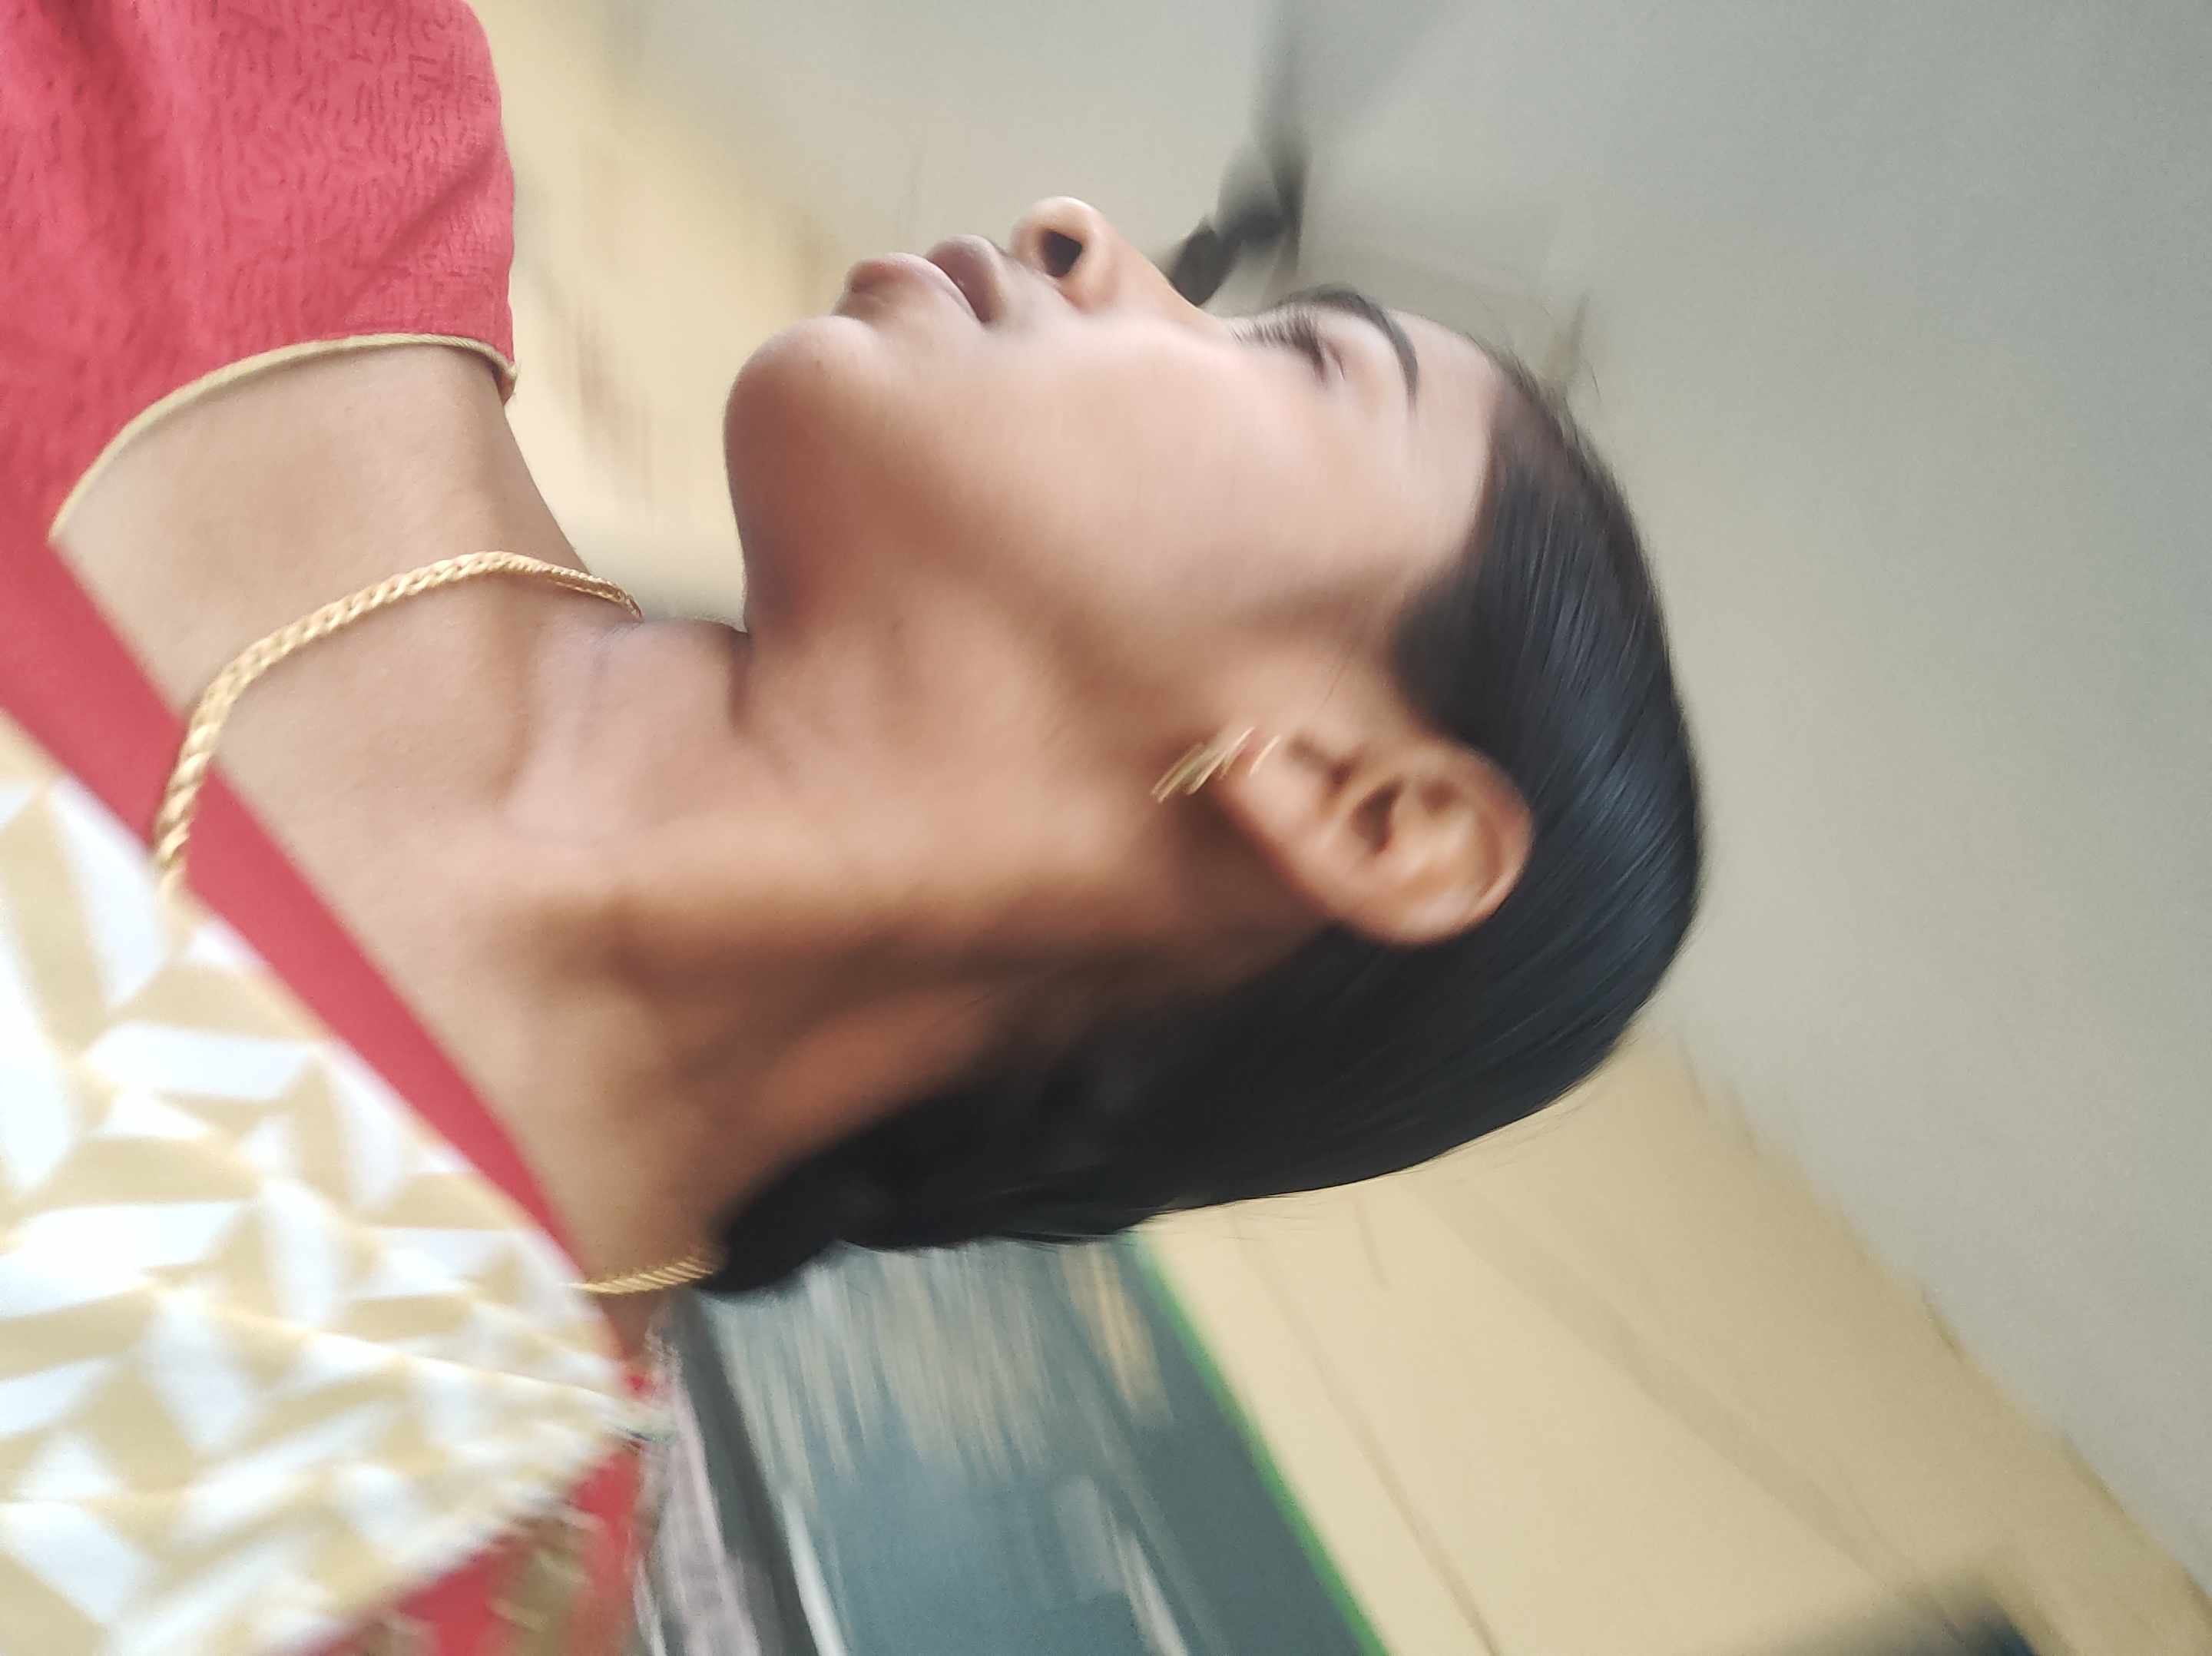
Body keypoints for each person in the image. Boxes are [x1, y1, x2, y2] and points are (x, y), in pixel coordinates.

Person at [0, 0, 1698, 1648]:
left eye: (1302, 356)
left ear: (1367, 809)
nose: (1075, 229)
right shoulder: (328, 90)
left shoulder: (421, 1558)